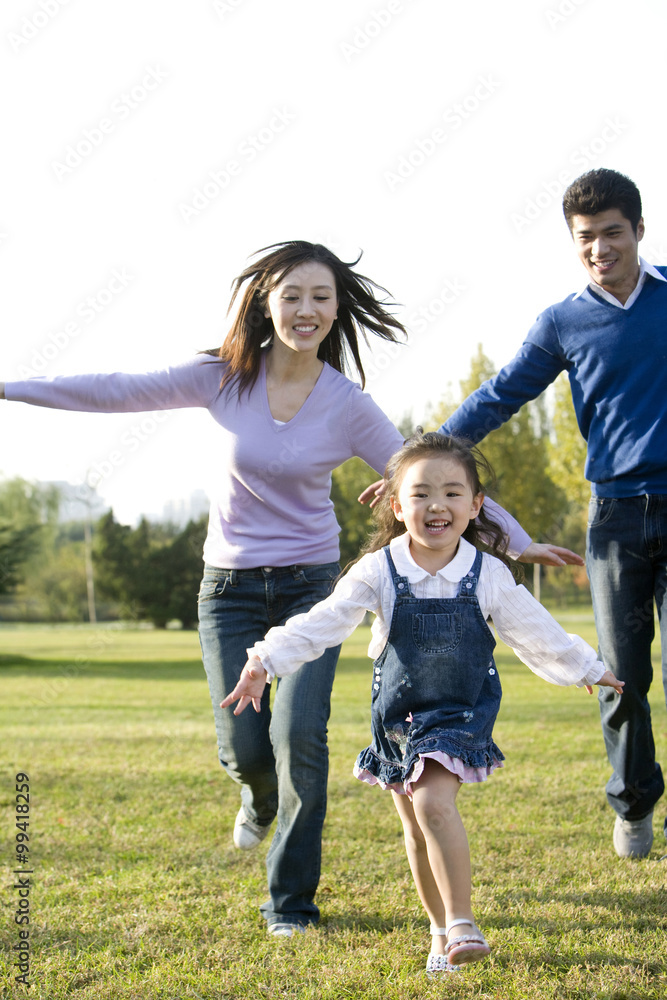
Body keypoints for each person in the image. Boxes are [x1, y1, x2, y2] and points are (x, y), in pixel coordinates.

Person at [0, 241, 568, 936]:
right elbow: (119, 389)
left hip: (308, 586)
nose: (306, 309)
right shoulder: (222, 378)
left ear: (336, 310)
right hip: (228, 590)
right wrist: (10, 386)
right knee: (244, 748)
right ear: (265, 302)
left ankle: (289, 903)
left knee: (299, 736)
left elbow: (432, 477)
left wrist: (513, 538)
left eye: (320, 297)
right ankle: (256, 798)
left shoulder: (345, 404)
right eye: (292, 295)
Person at [221, 432, 622, 973]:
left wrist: (587, 668)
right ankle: (440, 934)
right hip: (398, 720)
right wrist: (263, 660)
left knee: (433, 803)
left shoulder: (488, 573)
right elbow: (324, 622)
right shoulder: (378, 571)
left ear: (476, 506)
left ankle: (462, 923)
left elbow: (535, 629)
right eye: (422, 493)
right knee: (414, 826)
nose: (438, 505)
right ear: (396, 504)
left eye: (454, 493)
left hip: (460, 714)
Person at [434, 169, 667, 859]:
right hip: (616, 521)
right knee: (618, 676)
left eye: (612, 234)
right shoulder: (563, 322)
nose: (600, 249)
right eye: (585, 239)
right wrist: (421, 457)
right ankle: (632, 802)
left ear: (638, 231)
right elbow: (500, 394)